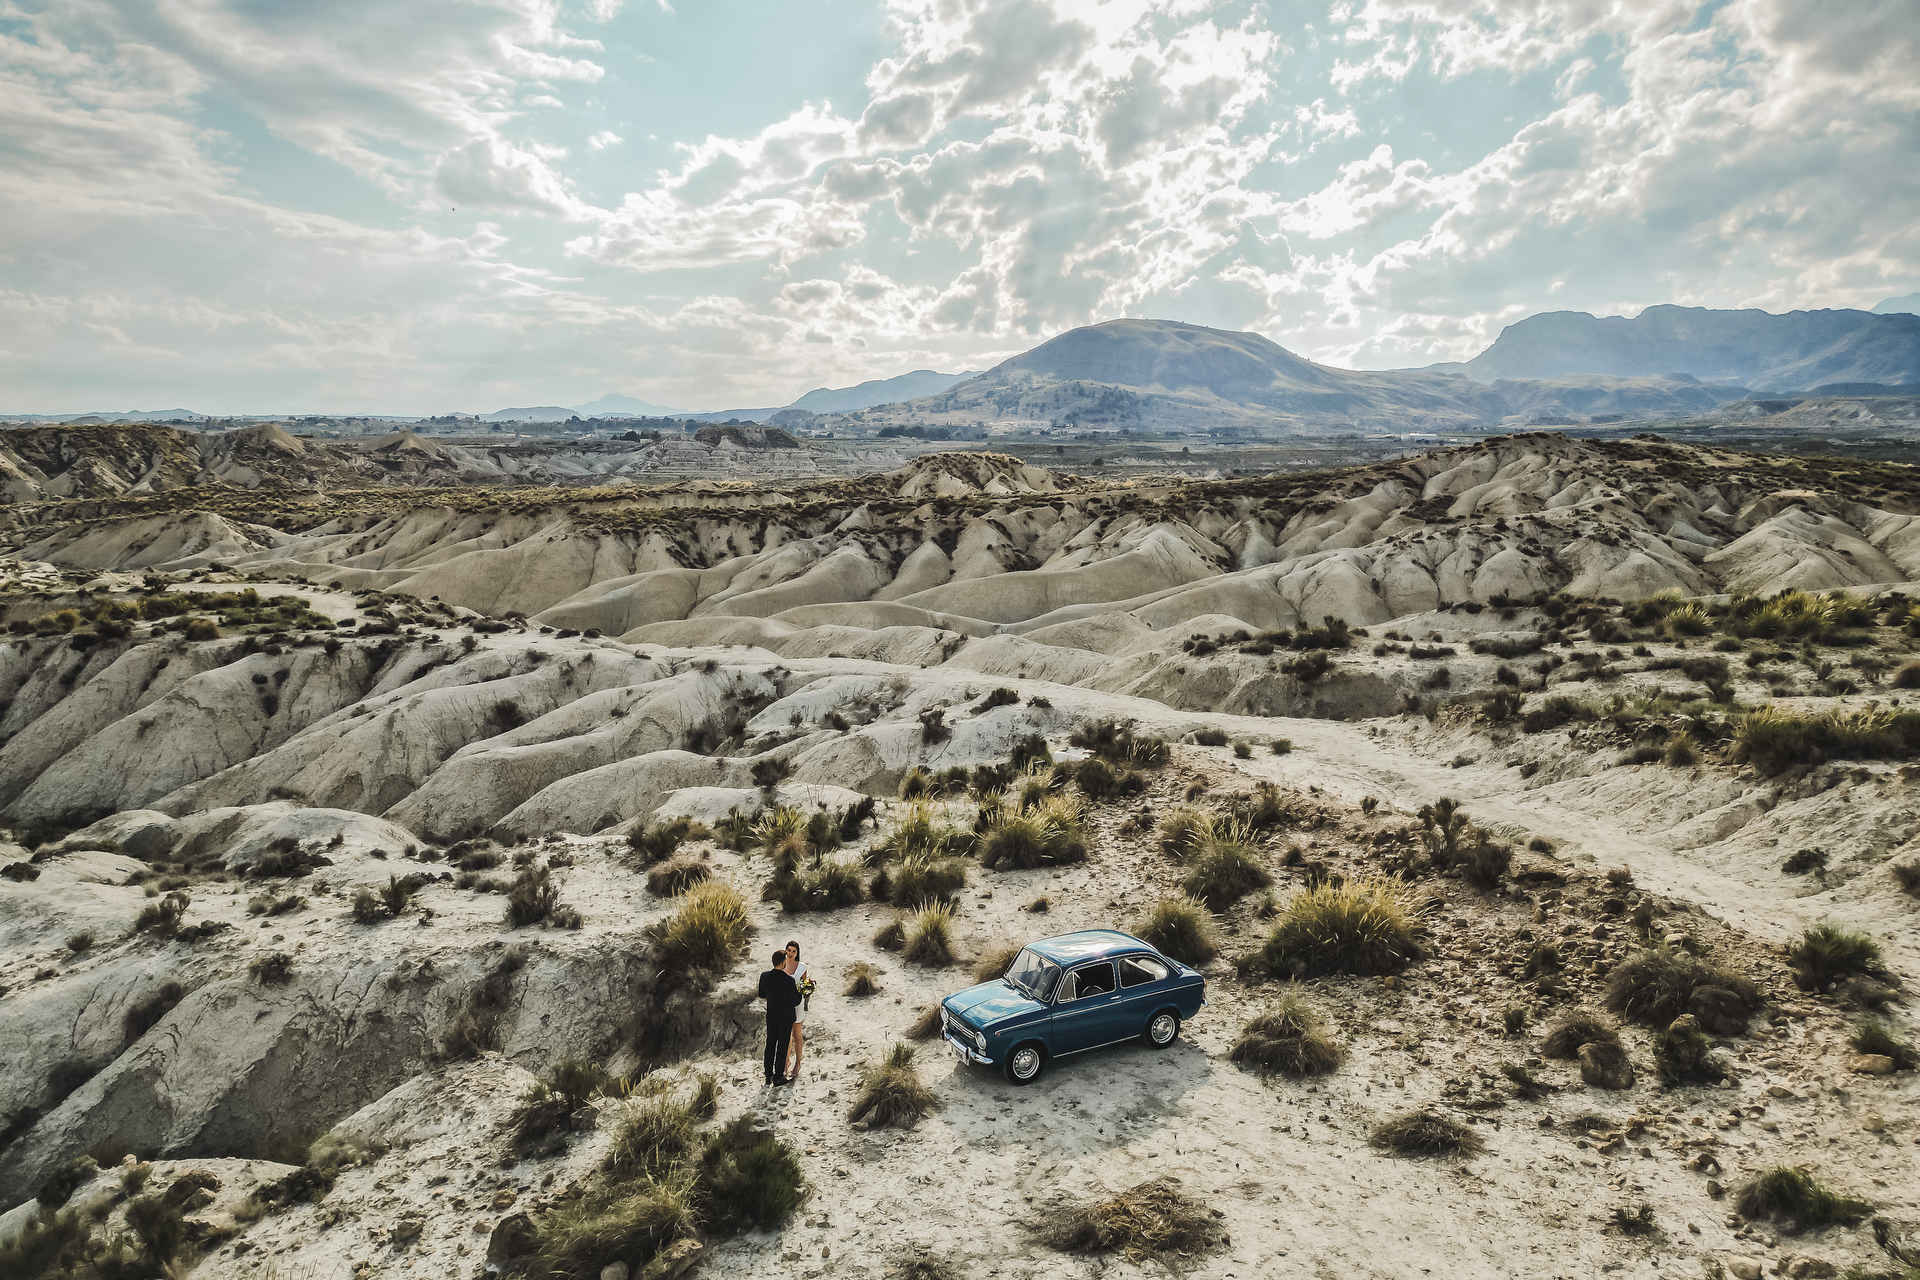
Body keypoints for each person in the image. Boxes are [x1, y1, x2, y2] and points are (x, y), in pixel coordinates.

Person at [757, 949, 801, 1086]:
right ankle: (778, 1077)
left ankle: (768, 1076)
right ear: (783, 963)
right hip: (786, 1017)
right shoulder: (789, 980)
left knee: (770, 1045)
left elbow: (761, 994)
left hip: (772, 1016)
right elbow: (796, 1001)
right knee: (782, 1046)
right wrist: (801, 993)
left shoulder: (764, 976)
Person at [783, 940, 814, 1082]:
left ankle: (798, 1064)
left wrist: (808, 985)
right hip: (784, 1005)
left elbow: (804, 987)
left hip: (797, 1004)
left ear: (797, 953)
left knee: (797, 1034)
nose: (790, 953)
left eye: (793, 951)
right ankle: (786, 1063)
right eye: (788, 950)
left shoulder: (802, 967)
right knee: (785, 1036)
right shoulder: (781, 964)